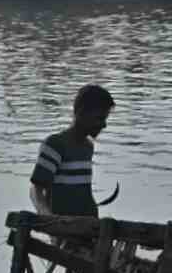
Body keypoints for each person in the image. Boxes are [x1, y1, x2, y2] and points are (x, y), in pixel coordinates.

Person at [30, 85, 114, 217]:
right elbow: (36, 189)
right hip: (63, 227)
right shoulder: (55, 144)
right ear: (81, 113)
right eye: (100, 118)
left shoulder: (88, 147)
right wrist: (45, 213)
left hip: (87, 225)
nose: (104, 125)